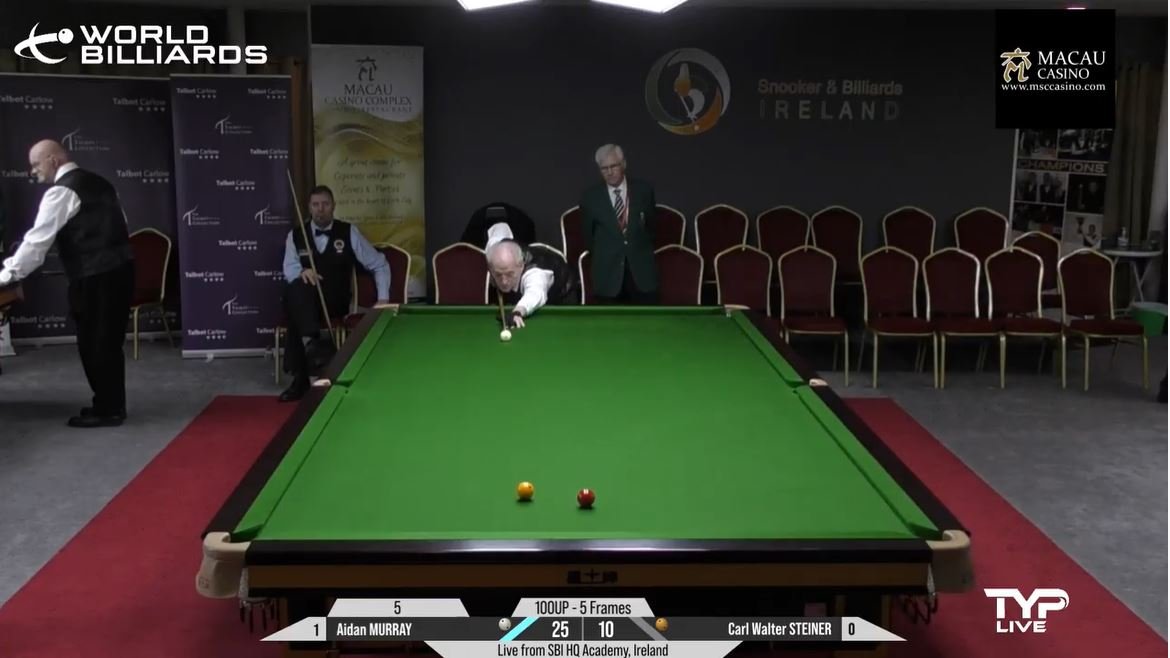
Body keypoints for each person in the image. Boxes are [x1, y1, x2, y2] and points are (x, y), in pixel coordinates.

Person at [0, 140, 135, 427]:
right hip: (121, 270)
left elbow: (36, 243)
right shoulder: (100, 183)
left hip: (93, 276)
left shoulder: (61, 191)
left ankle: (108, 411)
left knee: (94, 343)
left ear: (53, 160)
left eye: (35, 165)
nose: (32, 171)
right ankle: (109, 404)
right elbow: (121, 223)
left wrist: (7, 276)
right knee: (109, 342)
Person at [280, 185, 392, 402]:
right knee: (296, 289)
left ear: (333, 206)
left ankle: (301, 376)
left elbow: (380, 264)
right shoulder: (295, 235)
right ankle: (314, 340)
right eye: (316, 205)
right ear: (309, 208)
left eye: (325, 204)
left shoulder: (348, 232)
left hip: (334, 300)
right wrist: (303, 271)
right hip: (306, 302)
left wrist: (383, 299)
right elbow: (289, 270)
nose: (320, 209)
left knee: (294, 306)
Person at [579, 144, 659, 304]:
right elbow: (589, 237)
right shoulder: (590, 197)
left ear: (624, 164)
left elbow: (651, 229)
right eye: (604, 168)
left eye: (613, 166)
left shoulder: (644, 191)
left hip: (641, 275)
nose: (609, 172)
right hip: (608, 276)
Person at [486, 222, 579, 328]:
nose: (504, 281)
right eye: (499, 275)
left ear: (521, 265)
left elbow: (535, 293)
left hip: (562, 295)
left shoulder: (535, 273)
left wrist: (518, 311)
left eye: (509, 274)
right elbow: (500, 227)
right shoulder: (493, 248)